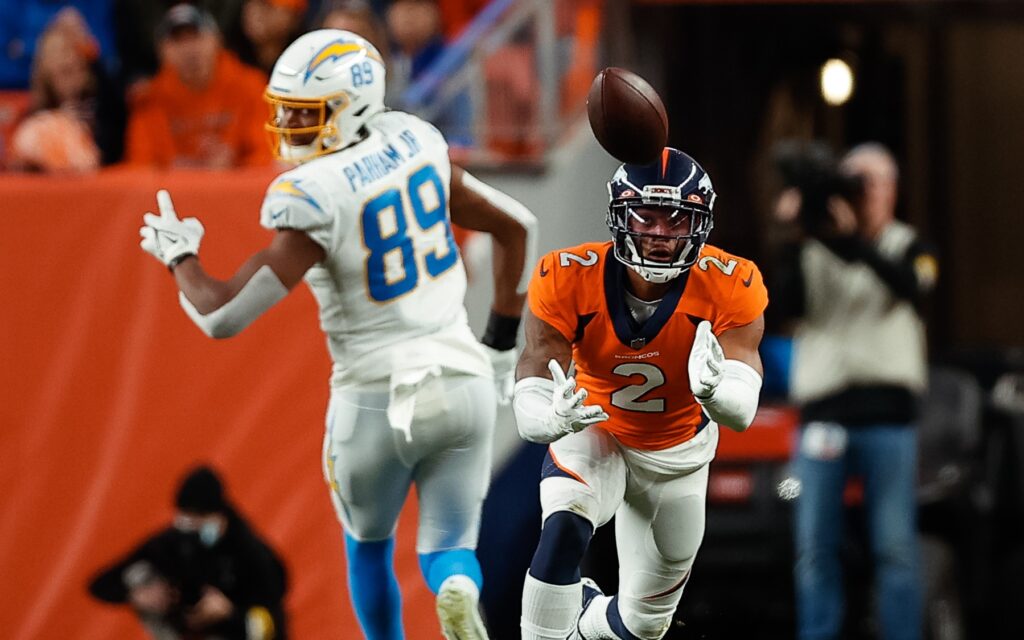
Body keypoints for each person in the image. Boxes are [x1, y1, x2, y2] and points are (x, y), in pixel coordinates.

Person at [136, 29, 537, 640]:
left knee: (368, 550)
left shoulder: (313, 194)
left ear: (348, 109)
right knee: (450, 549)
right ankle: (457, 589)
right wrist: (502, 349)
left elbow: (221, 316)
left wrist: (181, 258)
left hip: (372, 395)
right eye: (286, 114)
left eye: (305, 115)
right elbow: (519, 227)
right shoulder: (417, 140)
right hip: (462, 377)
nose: (290, 128)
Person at [512, 148, 768, 640]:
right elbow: (533, 373)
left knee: (644, 625)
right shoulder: (567, 275)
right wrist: (550, 419)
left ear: (700, 224)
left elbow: (740, 412)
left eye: (675, 222)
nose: (657, 235)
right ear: (619, 216)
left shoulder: (731, 283)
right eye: (645, 217)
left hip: (678, 454)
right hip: (594, 428)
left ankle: (584, 622)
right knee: (565, 526)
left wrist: (717, 392)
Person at [773, 142, 935, 640]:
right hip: (824, 415)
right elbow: (782, 305)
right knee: (815, 545)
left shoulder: (910, 244)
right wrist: (795, 234)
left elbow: (915, 286)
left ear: (892, 190)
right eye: (852, 182)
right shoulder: (812, 248)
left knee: (895, 547)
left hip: (887, 417)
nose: (860, 194)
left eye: (870, 183)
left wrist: (856, 244)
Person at [88, 465, 288, 640]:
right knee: (138, 575)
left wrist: (231, 614)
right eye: (185, 519)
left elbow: (274, 624)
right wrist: (140, 595)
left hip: (234, 631)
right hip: (186, 630)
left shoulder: (250, 553)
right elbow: (102, 584)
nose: (189, 526)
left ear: (216, 515)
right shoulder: (178, 541)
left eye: (196, 519)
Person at [124, 3, 270, 168]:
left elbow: (268, 155)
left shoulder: (251, 86)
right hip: (173, 192)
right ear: (161, 51)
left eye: (196, 36)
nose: (189, 49)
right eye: (177, 40)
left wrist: (234, 165)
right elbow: (139, 166)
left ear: (217, 39)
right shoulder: (150, 99)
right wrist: (174, 172)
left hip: (238, 190)